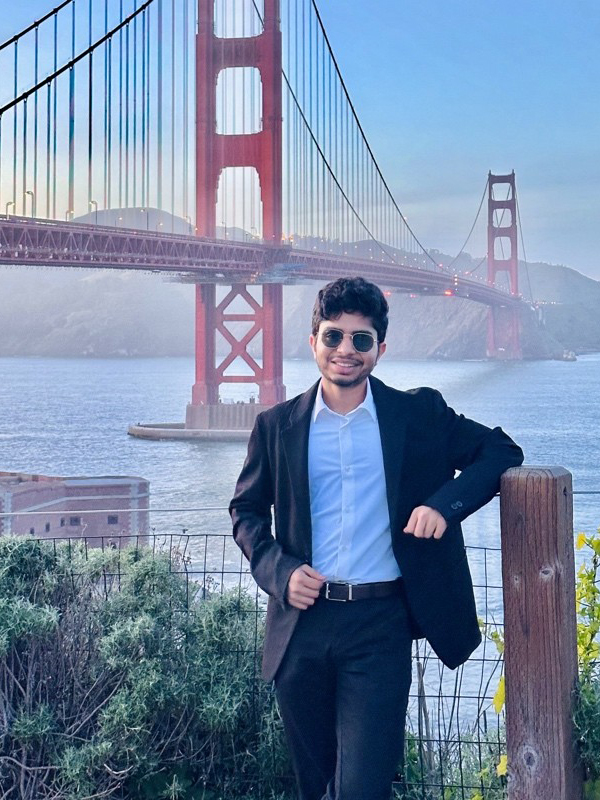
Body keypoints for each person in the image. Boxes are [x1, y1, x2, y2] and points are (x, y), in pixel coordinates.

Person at [229, 276, 524, 800]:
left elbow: (500, 451)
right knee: (316, 788)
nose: (345, 349)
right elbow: (246, 512)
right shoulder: (276, 426)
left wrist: (444, 506)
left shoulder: (418, 415)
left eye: (360, 339)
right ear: (313, 341)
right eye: (333, 336)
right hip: (301, 625)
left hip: (379, 625)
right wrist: (279, 572)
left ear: (380, 349)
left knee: (362, 789)